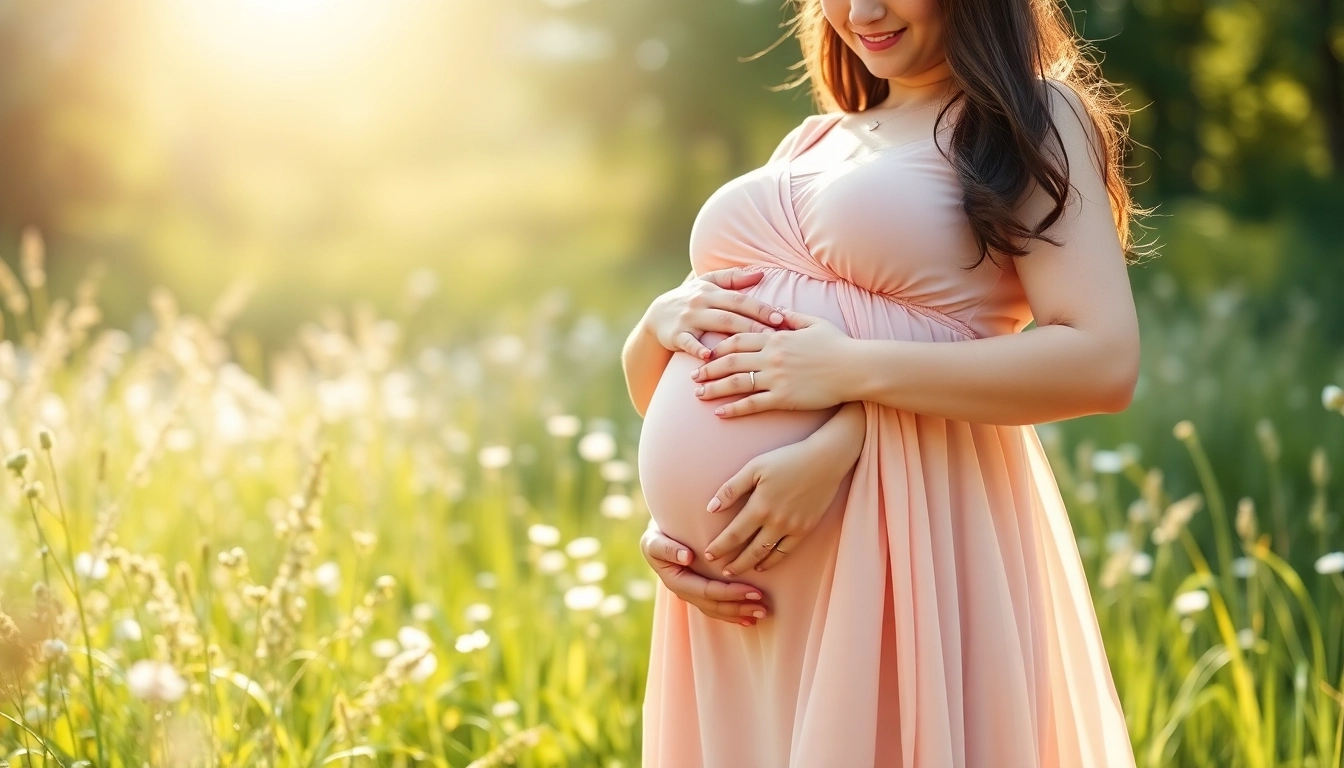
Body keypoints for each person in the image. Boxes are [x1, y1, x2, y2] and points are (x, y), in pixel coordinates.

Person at [620, 0, 1145, 765]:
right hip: (737, 601)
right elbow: (682, 392)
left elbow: (1102, 361)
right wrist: (656, 335)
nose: (860, 11)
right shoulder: (815, 137)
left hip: (904, 549)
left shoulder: (1029, 116)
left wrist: (851, 388)